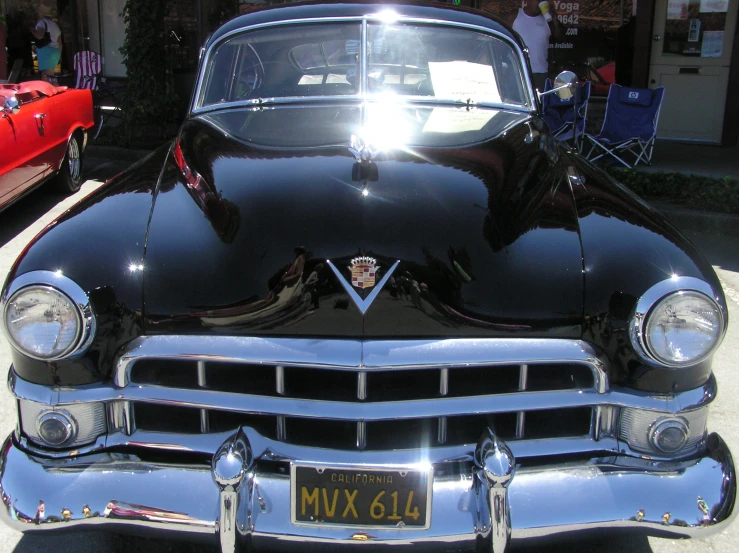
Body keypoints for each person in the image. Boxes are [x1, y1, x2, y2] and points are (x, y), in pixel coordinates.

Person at [507, 0, 563, 92]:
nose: (539, 3)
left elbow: (560, 37)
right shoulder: (515, 15)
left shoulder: (547, 20)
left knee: (537, 103)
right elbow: (504, 36)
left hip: (540, 72)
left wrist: (556, 22)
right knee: (514, 101)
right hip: (517, 69)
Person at [31, 1, 62, 83]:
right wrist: (59, 54)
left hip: (46, 51)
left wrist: (32, 31)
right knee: (51, 74)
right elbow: (59, 42)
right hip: (55, 51)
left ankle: (48, 93)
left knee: (46, 75)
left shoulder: (41, 23)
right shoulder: (54, 25)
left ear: (40, 14)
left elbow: (40, 36)